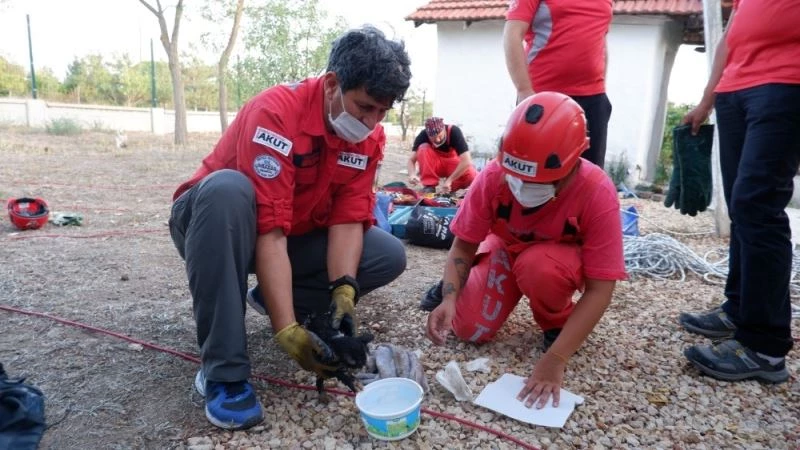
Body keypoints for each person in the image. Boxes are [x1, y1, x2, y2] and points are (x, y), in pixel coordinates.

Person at [168, 26, 411, 429]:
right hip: (215, 225)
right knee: (228, 189)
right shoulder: (277, 112)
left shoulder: (367, 138)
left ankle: (278, 297)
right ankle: (223, 373)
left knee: (386, 253)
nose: (371, 122)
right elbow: (270, 229)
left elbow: (348, 219)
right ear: (332, 84)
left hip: (285, 235)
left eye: (382, 112)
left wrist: (344, 290)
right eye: (365, 107)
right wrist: (286, 332)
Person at [424, 92, 627, 409]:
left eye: (538, 181)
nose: (522, 188)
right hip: (505, 249)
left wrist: (557, 357)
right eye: (515, 176)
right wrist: (450, 297)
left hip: (549, 263)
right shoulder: (492, 176)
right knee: (468, 328)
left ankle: (556, 324)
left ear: (574, 161)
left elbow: (601, 289)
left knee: (538, 268)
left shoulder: (597, 192)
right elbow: (464, 242)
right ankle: (467, 286)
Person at [678, 0, 799, 384]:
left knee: (757, 205)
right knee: (741, 207)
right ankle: (739, 308)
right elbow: (729, 39)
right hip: (735, 90)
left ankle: (765, 346)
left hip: (786, 84)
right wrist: (707, 100)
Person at [503, 0, 613, 169]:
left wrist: (600, 86)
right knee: (535, 171)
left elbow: (601, 39)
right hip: (543, 96)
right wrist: (524, 91)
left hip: (593, 99)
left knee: (588, 175)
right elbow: (512, 34)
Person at [407, 117, 477, 194]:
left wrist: (450, 180)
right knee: (423, 148)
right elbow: (411, 160)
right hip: (435, 163)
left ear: (444, 129)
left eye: (440, 136)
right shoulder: (423, 135)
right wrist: (412, 175)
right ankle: (429, 186)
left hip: (452, 162)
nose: (437, 140)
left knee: (471, 174)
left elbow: (466, 161)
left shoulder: (454, 131)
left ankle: (450, 188)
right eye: (433, 138)